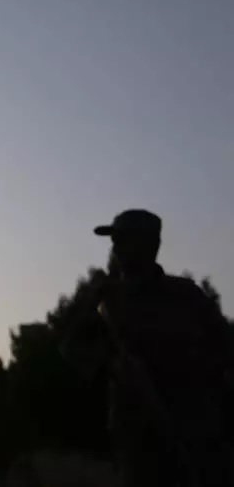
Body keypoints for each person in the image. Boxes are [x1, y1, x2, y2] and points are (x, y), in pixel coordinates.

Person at [63, 209, 234, 487]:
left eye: (123, 240)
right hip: (138, 447)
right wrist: (89, 312)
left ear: (150, 245)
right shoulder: (107, 299)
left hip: (198, 440)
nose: (115, 248)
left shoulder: (187, 296)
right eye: (114, 241)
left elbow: (227, 350)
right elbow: (72, 353)